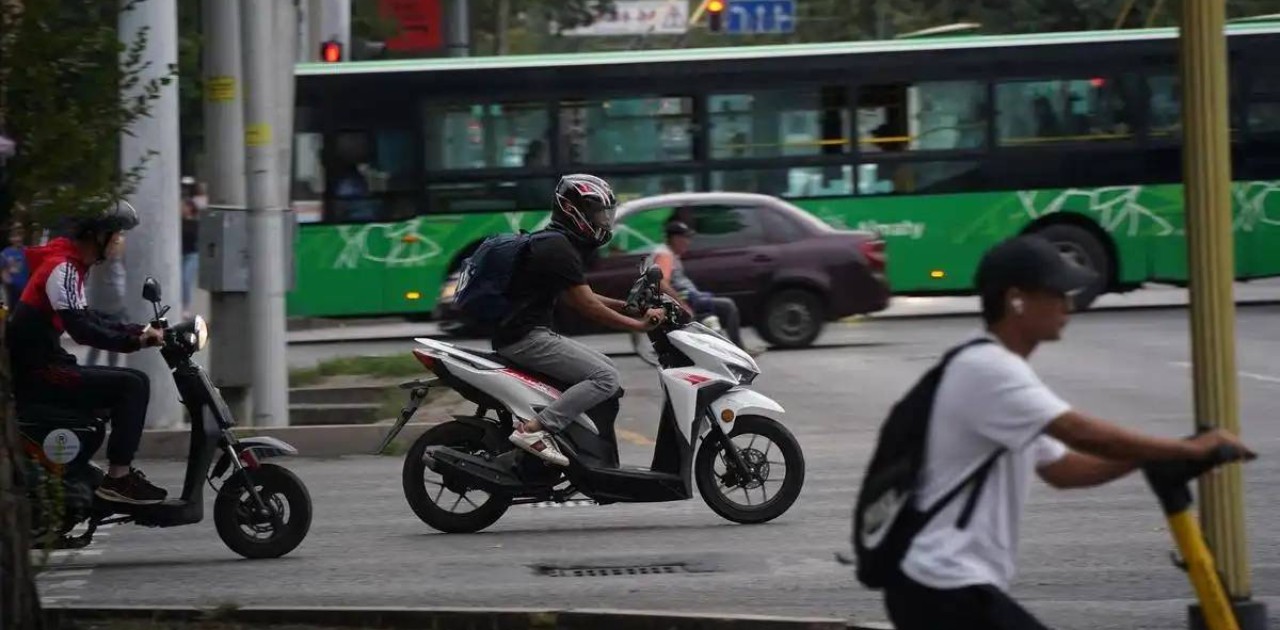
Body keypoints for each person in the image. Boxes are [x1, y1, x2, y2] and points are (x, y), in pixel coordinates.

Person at [884, 234, 1255, 630]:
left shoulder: (996, 369)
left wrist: (1151, 455)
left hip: (942, 585)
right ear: (1016, 300)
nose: (1070, 305)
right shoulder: (989, 369)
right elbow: (1084, 434)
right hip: (941, 583)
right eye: (1058, 293)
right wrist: (1190, 450)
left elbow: (1064, 470)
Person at [496, 174, 665, 467]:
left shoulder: (556, 243)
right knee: (605, 378)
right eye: (598, 213)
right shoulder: (557, 248)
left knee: (608, 369)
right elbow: (588, 307)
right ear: (575, 210)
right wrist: (638, 326)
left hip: (529, 334)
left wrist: (630, 308)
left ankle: (584, 451)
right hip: (525, 338)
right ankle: (534, 430)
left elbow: (581, 296)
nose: (603, 220)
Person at [7, 201, 169, 505]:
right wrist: (136, 342)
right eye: (116, 234)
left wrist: (138, 331)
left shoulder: (69, 264)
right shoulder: (63, 268)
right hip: (40, 373)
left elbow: (91, 317)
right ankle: (118, 479)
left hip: (44, 365)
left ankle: (99, 471)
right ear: (97, 236)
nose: (120, 242)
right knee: (133, 384)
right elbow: (82, 329)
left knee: (129, 382)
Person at [644, 220, 755, 353]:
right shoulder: (665, 255)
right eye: (685, 238)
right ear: (675, 239)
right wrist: (681, 304)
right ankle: (739, 350)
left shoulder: (669, 253)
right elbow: (661, 283)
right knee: (728, 306)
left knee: (711, 308)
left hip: (688, 297)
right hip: (683, 300)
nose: (688, 242)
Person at [2, 221, 29, 308]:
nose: (18, 239)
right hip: (10, 289)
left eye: (20, 236)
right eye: (14, 236)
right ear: (10, 239)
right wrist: (8, 282)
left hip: (25, 288)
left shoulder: (28, 251)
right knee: (5, 308)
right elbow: (3, 270)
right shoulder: (5, 253)